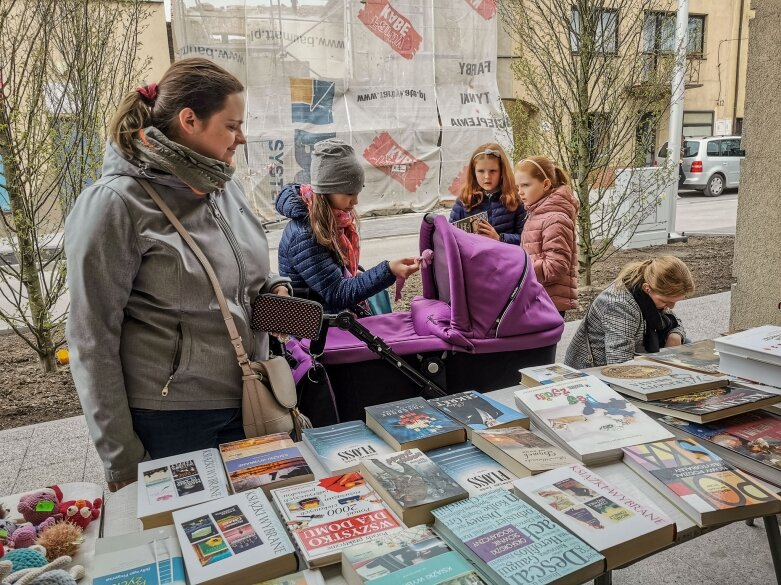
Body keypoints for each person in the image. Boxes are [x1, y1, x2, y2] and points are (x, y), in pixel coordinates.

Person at [64, 58, 291, 492]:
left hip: (252, 399)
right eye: (232, 125)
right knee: (199, 549)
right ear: (189, 120)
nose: (242, 138)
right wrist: (122, 458)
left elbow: (241, 276)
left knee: (268, 541)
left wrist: (272, 290)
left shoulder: (223, 186)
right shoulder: (114, 205)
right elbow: (91, 340)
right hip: (174, 423)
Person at [276, 139, 420, 314]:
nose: (356, 201)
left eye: (357, 192)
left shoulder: (331, 220)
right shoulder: (305, 235)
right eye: (349, 193)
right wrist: (388, 270)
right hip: (319, 332)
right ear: (326, 191)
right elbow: (338, 293)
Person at [565, 256, 694, 369]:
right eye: (666, 302)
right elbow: (620, 365)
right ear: (647, 288)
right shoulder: (618, 305)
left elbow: (673, 321)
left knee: (686, 345)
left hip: (635, 353)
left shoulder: (651, 293)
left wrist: (675, 336)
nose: (671, 306)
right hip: (594, 369)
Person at [514, 156, 578, 316]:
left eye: (526, 185)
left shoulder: (554, 218)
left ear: (546, 184)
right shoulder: (537, 213)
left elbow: (557, 266)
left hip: (550, 303)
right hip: (540, 297)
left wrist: (521, 270)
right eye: (518, 187)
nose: (520, 192)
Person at [450, 143, 525, 244]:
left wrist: (499, 238)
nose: (487, 176)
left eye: (493, 171)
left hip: (504, 258)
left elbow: (526, 239)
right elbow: (449, 236)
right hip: (472, 258)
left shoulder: (515, 200)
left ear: (502, 171)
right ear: (473, 172)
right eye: (481, 171)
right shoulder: (464, 200)